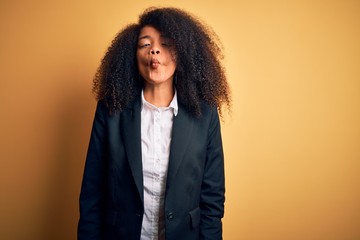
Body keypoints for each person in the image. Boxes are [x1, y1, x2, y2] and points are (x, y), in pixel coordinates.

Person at [78, 7, 231, 240]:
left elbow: (212, 198)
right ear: (133, 55)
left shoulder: (205, 115)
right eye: (144, 44)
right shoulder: (110, 111)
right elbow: (92, 193)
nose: (155, 50)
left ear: (183, 53)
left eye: (166, 43)